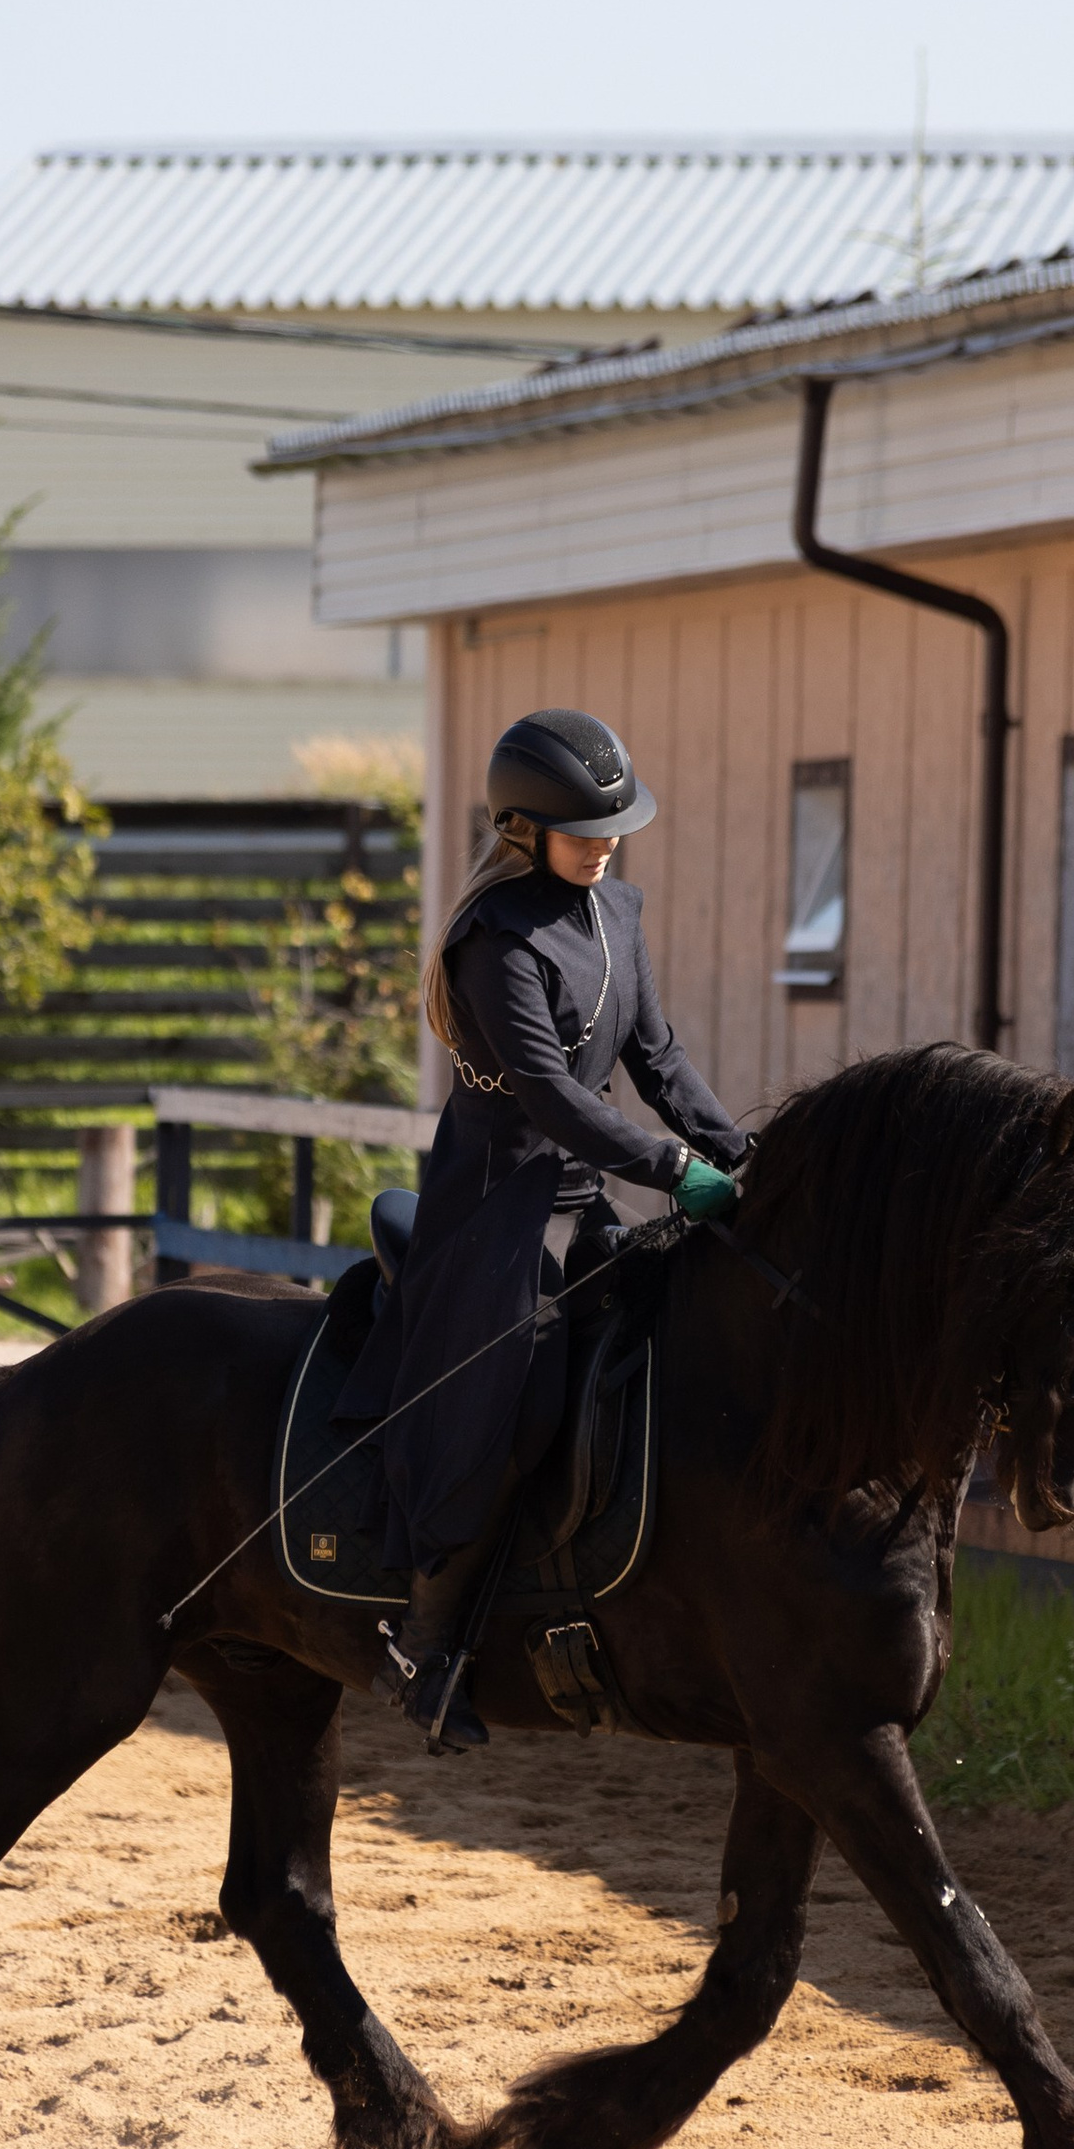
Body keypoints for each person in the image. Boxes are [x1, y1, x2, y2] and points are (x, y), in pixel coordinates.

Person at [336, 705, 750, 1753]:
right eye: (583, 829)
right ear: (523, 831)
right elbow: (555, 1098)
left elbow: (656, 1059)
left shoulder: (618, 912)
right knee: (512, 1396)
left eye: (614, 826)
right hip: (499, 1207)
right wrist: (672, 1171)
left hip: (587, 1196)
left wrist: (741, 1153)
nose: (607, 843)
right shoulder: (495, 941)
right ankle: (425, 1643)